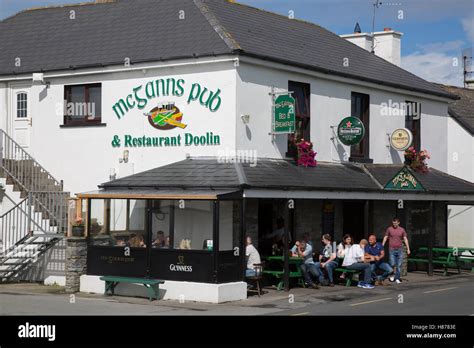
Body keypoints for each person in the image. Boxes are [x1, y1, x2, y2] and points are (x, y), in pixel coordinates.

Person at [382, 218, 411, 284]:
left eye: (395, 223)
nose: (394, 224)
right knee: (392, 263)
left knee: (399, 265)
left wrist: (408, 248)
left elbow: (405, 239)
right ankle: (392, 275)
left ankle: (397, 278)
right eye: (393, 223)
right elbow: (385, 237)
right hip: (391, 249)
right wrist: (382, 245)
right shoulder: (389, 229)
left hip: (399, 249)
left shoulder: (402, 230)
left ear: (398, 223)